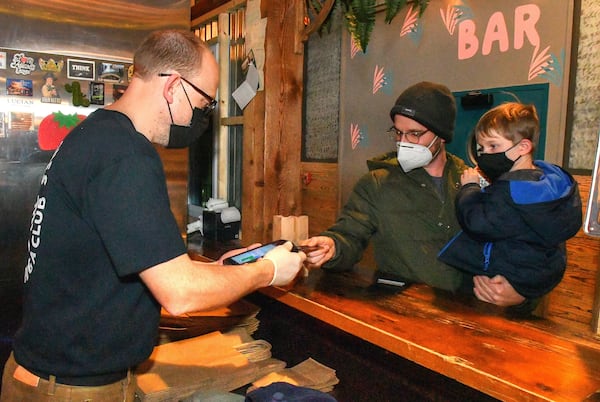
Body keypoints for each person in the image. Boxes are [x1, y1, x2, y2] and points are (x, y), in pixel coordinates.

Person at [0, 30, 305, 402]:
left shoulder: (98, 135)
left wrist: (223, 270)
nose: (203, 116)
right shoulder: (126, 154)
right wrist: (267, 271)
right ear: (174, 87)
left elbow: (142, 265)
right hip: (69, 390)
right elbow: (178, 293)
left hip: (52, 376)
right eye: (205, 102)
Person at [302, 81, 526, 305]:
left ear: (442, 135)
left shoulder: (474, 183)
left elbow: (527, 245)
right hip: (402, 313)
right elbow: (349, 234)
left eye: (415, 134)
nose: (404, 142)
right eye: (398, 133)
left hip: (468, 314)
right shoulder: (377, 185)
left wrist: (520, 290)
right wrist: (332, 247)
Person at [438, 102, 582, 313]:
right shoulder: (549, 184)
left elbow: (476, 222)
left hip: (505, 277)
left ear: (523, 147)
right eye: (481, 148)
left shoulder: (510, 190)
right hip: (537, 275)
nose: (485, 154)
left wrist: (470, 189)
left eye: (493, 146)